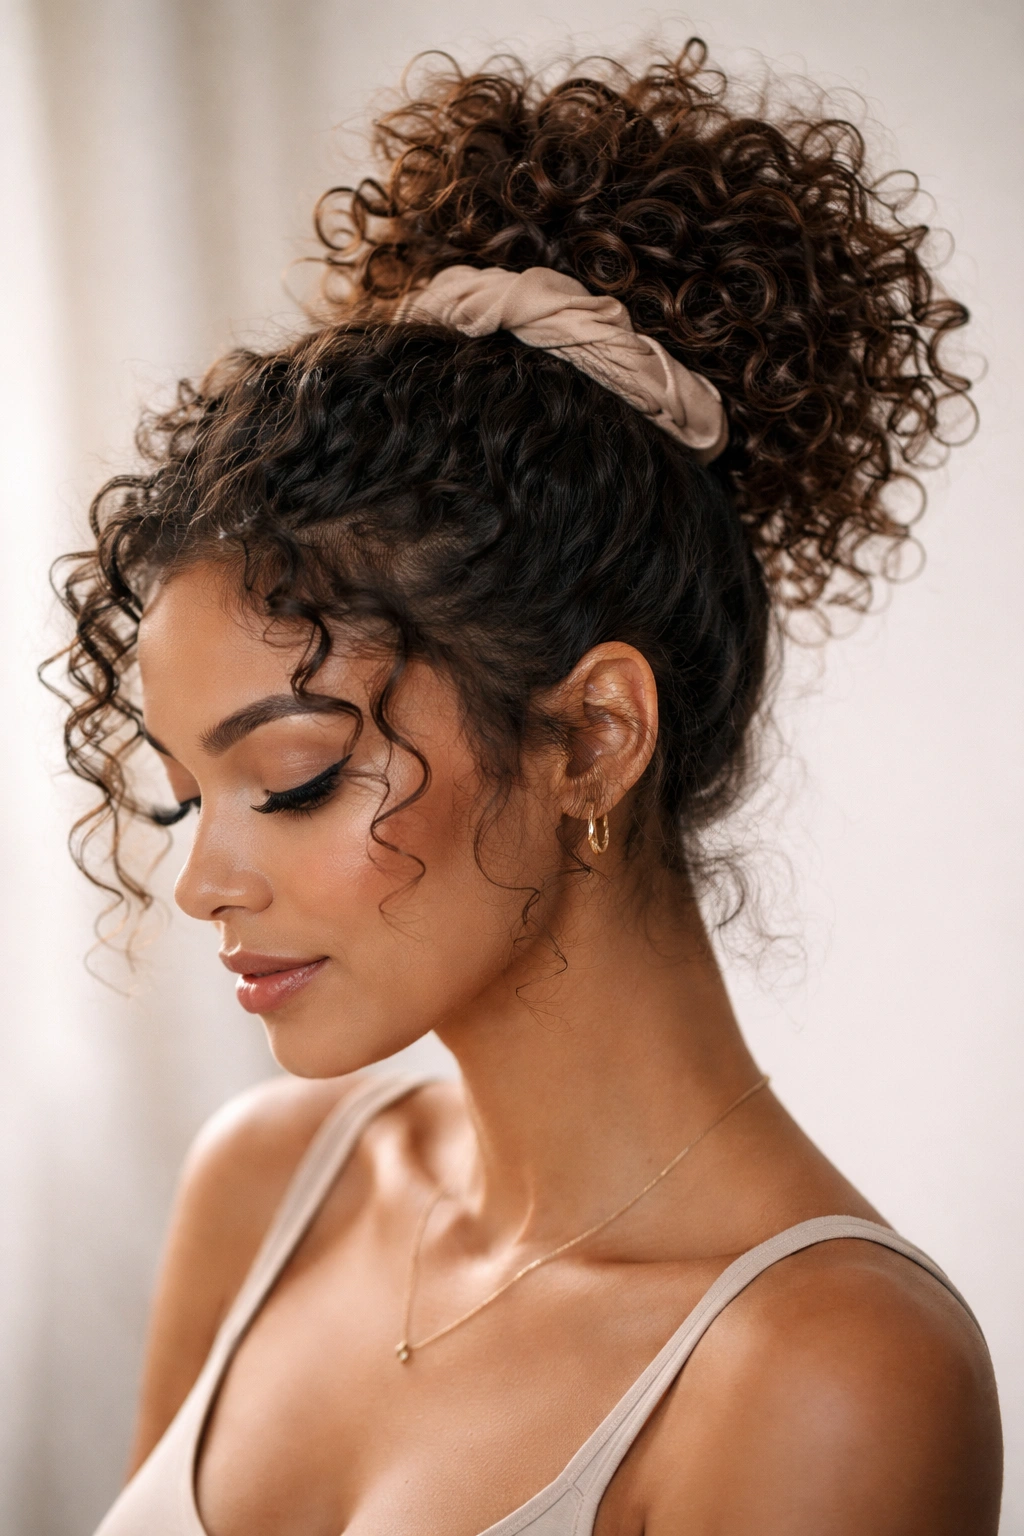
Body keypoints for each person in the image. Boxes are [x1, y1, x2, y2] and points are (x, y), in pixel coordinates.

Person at [53, 41, 1001, 1536]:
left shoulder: (825, 1374)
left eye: (292, 780)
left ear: (592, 737)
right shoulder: (266, 1189)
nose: (204, 881)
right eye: (183, 798)